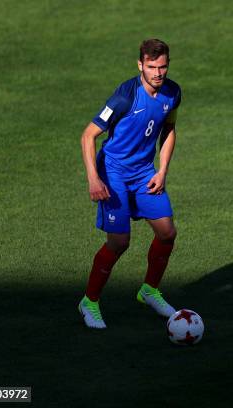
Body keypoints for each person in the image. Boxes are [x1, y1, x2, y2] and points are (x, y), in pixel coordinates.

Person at [78, 39, 181, 329]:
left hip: (145, 173)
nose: (158, 73)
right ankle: (90, 301)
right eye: (152, 67)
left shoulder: (172, 92)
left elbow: (169, 129)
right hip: (114, 174)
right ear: (140, 65)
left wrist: (162, 171)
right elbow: (88, 136)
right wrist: (94, 178)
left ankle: (149, 291)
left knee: (167, 232)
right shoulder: (125, 96)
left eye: (163, 67)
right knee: (119, 241)